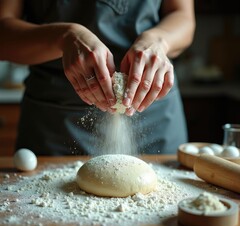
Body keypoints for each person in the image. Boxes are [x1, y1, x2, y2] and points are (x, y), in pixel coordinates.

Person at [0, 0, 195, 155]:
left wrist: (159, 41)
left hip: (152, 113)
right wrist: (65, 37)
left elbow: (183, 16)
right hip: (56, 121)